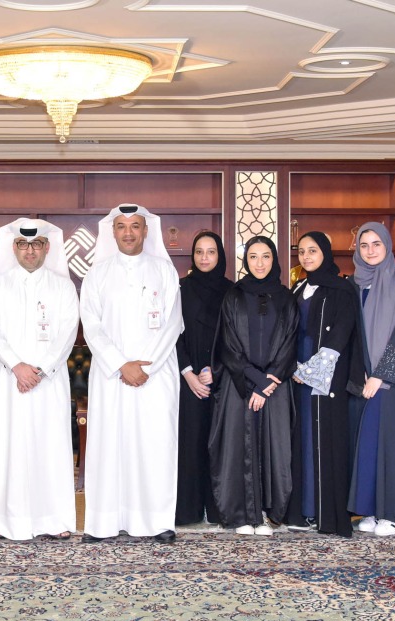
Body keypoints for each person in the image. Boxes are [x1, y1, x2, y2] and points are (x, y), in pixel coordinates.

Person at [79, 204, 183, 543]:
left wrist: (144, 366)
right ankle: (104, 523)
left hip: (155, 375)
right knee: (109, 446)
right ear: (112, 232)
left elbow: (173, 323)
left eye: (135, 226)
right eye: (122, 226)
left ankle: (156, 522)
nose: (128, 233)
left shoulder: (164, 270)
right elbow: (91, 324)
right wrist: (121, 364)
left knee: (154, 445)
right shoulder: (98, 273)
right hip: (111, 375)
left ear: (145, 231)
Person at [0, 219, 80, 540]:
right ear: (14, 247)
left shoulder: (63, 286)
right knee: (7, 447)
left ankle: (55, 520)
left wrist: (41, 369)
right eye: (23, 244)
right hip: (8, 380)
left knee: (49, 447)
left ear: (47, 247)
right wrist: (16, 366)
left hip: (48, 381)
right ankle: (2, 521)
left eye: (36, 244)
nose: (30, 250)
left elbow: (68, 332)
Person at [208, 236, 297, 535]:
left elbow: (290, 344)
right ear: (245, 260)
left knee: (275, 449)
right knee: (238, 447)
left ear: (274, 259)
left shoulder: (287, 298)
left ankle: (268, 514)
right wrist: (256, 381)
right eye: (253, 257)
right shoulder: (233, 296)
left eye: (266, 256)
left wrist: (267, 383)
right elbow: (227, 344)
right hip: (239, 384)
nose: (259, 263)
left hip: (275, 387)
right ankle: (242, 516)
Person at [347, 222, 395, 538]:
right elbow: (350, 332)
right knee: (367, 444)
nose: (370, 250)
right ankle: (371, 508)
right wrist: (360, 371)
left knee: (391, 444)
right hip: (363, 378)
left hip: (393, 379)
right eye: (364, 245)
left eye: (376, 244)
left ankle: (392, 512)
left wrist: (381, 374)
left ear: (388, 246)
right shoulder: (353, 285)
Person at [285, 231, 359, 538]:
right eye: (301, 251)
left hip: (326, 375)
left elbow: (341, 333)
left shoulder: (342, 288)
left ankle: (324, 512)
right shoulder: (298, 288)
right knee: (301, 438)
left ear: (325, 252)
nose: (306, 256)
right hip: (296, 373)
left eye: (312, 250)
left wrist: (310, 371)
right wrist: (291, 366)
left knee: (324, 439)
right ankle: (302, 510)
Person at [175, 231, 232, 526]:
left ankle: (219, 508)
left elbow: (237, 337)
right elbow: (173, 334)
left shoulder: (232, 291)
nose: (205, 257)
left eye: (211, 251)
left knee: (221, 443)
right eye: (199, 252)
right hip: (188, 379)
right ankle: (188, 510)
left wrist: (215, 369)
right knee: (190, 441)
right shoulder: (180, 289)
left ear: (220, 255)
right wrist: (189, 373)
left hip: (224, 378)